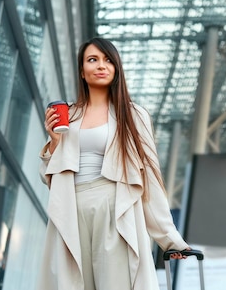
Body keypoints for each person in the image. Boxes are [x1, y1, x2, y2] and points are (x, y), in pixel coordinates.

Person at [38, 37, 190, 290]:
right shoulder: (69, 115)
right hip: (71, 208)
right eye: (92, 60)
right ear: (82, 72)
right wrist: (54, 142)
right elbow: (52, 179)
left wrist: (170, 239)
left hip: (113, 207)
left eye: (108, 60)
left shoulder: (132, 115)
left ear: (117, 68)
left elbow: (150, 177)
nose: (101, 65)